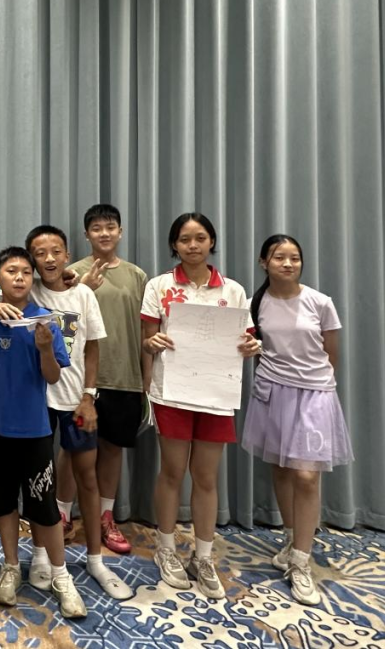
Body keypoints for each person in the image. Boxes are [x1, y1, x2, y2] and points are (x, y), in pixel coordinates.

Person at [141, 212, 261, 600]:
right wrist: (151, 344)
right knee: (172, 471)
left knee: (207, 477)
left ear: (211, 242)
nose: (192, 245)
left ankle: (203, 557)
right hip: (172, 393)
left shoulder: (234, 291)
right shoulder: (159, 286)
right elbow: (147, 340)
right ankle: (165, 548)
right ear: (174, 245)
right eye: (184, 239)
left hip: (215, 395)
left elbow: (245, 340)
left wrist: (252, 346)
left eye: (200, 238)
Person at [0, 246, 86, 619]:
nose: (19, 277)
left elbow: (53, 376)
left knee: (44, 508)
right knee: (3, 504)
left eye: (25, 271)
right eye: (11, 271)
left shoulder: (47, 320)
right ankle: (10, 566)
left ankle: (61, 576)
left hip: (34, 429)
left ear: (32, 277)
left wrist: (45, 349)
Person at [241, 234, 352, 606]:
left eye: (294, 258)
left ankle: (302, 563)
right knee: (281, 467)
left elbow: (331, 355)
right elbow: (249, 346)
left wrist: (315, 384)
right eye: (279, 257)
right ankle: (291, 540)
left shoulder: (320, 302)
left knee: (306, 475)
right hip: (272, 391)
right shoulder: (255, 303)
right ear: (264, 262)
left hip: (315, 394)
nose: (288, 264)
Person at [26, 225, 132, 601]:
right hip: (35, 401)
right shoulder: (27, 292)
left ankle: (95, 558)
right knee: (39, 481)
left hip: (75, 401)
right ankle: (40, 554)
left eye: (56, 251)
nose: (49, 258)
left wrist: (89, 396)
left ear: (67, 255)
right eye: (40, 253)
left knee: (88, 476)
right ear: (31, 259)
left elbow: (91, 349)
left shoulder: (84, 294)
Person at [66, 204, 148, 556]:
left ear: (120, 231)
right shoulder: (72, 272)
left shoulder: (137, 275)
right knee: (72, 449)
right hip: (81, 378)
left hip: (124, 374)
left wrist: (146, 380)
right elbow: (63, 324)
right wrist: (82, 288)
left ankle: (105, 517)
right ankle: (62, 514)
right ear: (86, 234)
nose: (104, 233)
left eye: (110, 227)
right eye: (96, 228)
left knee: (112, 449)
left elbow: (146, 330)